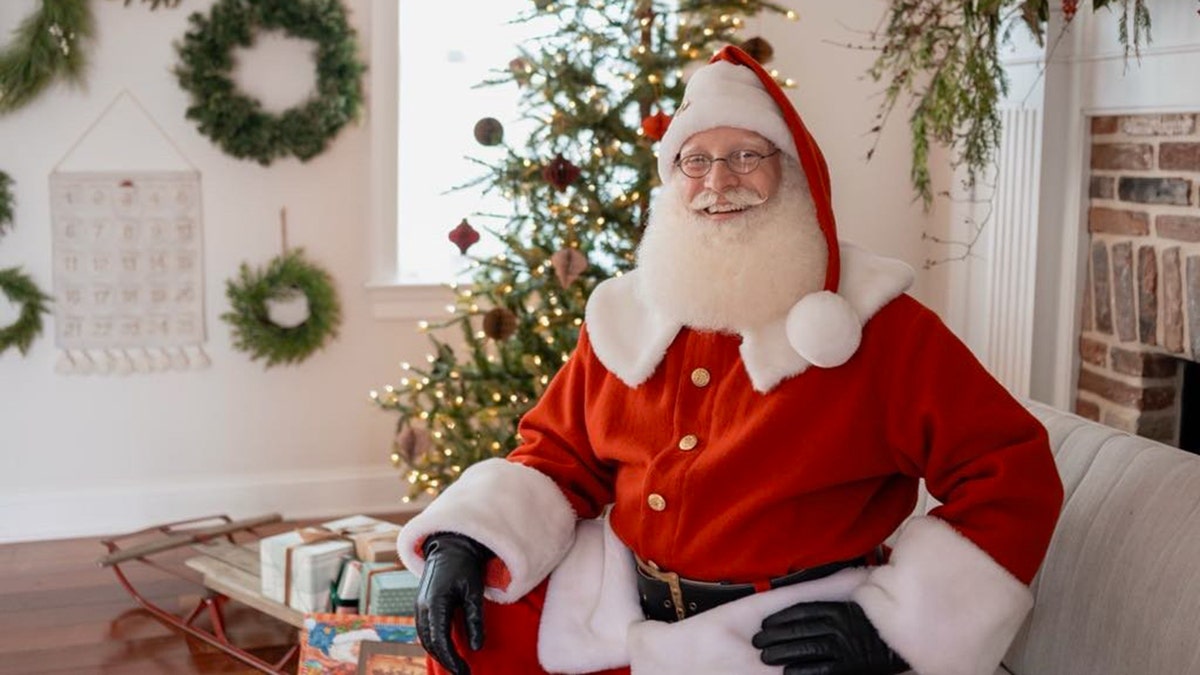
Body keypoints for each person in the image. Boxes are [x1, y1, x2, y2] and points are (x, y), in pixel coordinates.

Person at [397, 45, 1064, 675]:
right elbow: (555, 454)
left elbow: (1010, 473)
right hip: (620, 598)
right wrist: (468, 538)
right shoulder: (628, 314)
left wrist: (895, 626)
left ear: (793, 172)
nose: (718, 181)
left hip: (774, 630)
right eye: (696, 161)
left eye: (746, 155)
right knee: (474, 625)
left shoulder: (879, 324)